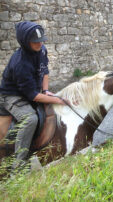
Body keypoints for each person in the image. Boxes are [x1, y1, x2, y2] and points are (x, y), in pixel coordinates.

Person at [0, 21, 66, 172]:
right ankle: (19, 164)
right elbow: (32, 96)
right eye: (35, 41)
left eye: (41, 40)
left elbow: (45, 70)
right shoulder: (20, 63)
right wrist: (58, 99)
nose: (40, 44)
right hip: (11, 95)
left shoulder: (42, 50)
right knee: (30, 119)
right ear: (25, 41)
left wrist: (46, 90)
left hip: (33, 90)